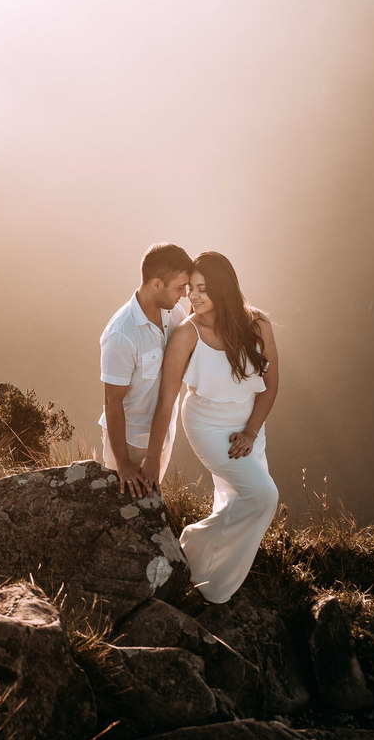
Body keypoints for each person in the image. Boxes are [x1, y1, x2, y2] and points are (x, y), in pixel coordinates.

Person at [145, 250, 280, 603]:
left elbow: (271, 385)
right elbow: (166, 400)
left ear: (223, 288)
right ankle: (196, 548)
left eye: (203, 288)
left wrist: (251, 432)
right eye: (190, 288)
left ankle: (208, 568)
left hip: (249, 426)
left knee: (239, 498)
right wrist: (151, 457)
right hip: (206, 424)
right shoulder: (188, 334)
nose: (194, 296)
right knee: (263, 496)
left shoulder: (258, 324)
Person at [99, 242, 194, 498]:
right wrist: (123, 464)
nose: (184, 294)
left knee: (149, 509)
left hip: (161, 438)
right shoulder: (121, 334)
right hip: (129, 444)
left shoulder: (174, 313)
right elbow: (112, 401)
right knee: (121, 509)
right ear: (156, 284)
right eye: (179, 287)